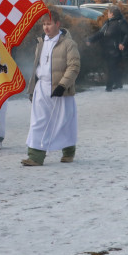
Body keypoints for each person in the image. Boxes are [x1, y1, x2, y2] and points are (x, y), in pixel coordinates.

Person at [23, 10, 80, 166]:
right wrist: (32, 89)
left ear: (57, 24)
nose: (46, 27)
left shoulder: (69, 44)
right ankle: (35, 156)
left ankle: (68, 152)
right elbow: (37, 66)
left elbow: (74, 66)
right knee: (38, 121)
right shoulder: (41, 42)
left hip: (60, 88)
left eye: (49, 24)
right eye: (44, 24)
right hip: (42, 86)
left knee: (65, 121)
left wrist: (63, 85)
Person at [87, 6, 128, 91]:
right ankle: (118, 83)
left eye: (108, 13)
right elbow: (100, 33)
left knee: (112, 67)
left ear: (112, 14)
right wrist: (90, 40)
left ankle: (109, 86)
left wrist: (123, 43)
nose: (107, 14)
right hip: (106, 48)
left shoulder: (121, 22)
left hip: (115, 49)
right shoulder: (107, 22)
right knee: (113, 67)